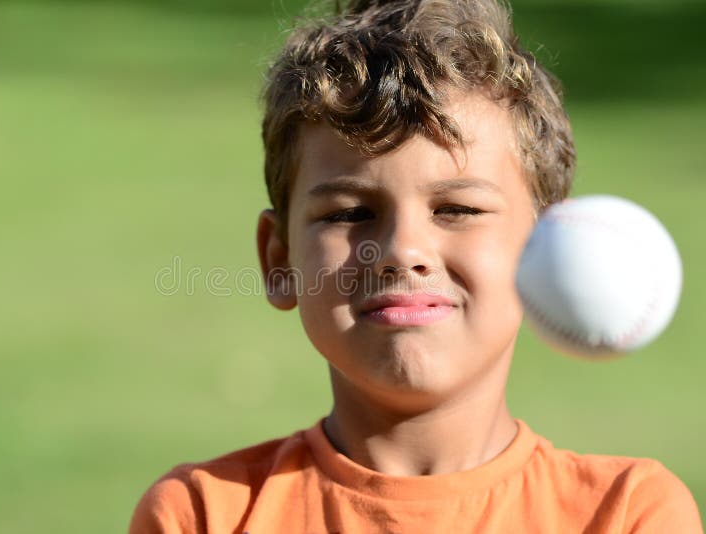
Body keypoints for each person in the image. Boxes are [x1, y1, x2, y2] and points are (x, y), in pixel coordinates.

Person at [129, 0, 703, 531]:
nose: (403, 249)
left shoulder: (627, 513)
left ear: (547, 248)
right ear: (279, 260)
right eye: (350, 212)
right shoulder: (204, 513)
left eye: (457, 208)